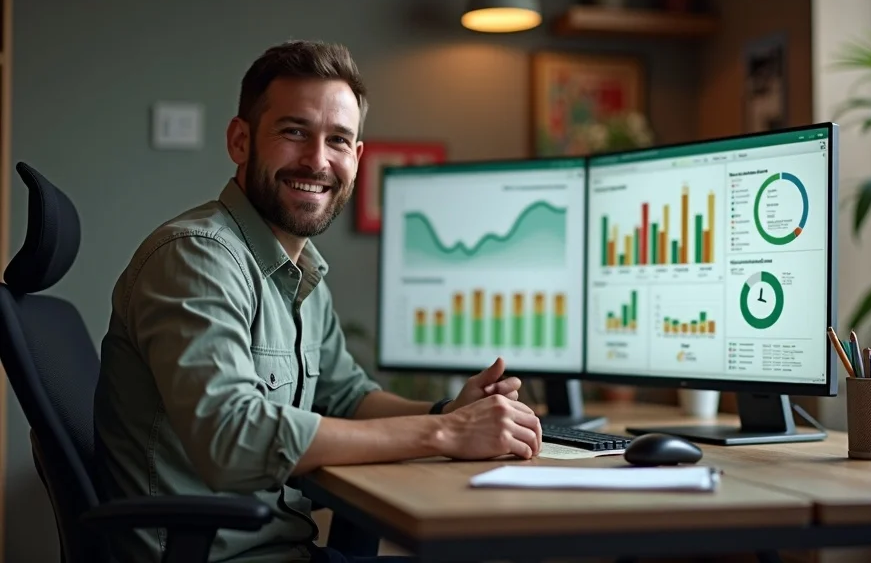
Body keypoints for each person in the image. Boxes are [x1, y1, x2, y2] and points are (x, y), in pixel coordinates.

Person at [93, 40, 543, 563]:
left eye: (337, 140)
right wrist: (444, 432)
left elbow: (347, 396)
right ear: (240, 141)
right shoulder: (196, 258)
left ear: (356, 159)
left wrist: (447, 410)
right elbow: (230, 438)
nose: (316, 160)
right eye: (293, 132)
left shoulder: (301, 272)